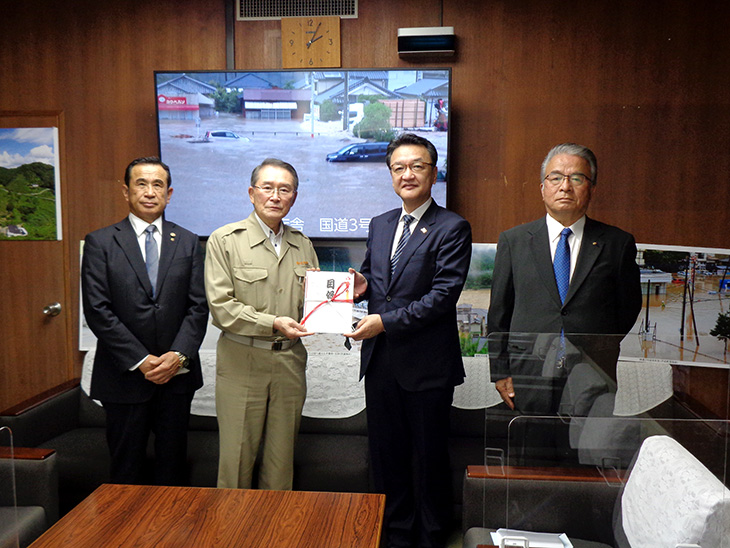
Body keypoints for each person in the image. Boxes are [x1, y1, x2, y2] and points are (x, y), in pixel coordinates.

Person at [346, 134, 472, 548]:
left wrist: (383, 322)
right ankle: (395, 534)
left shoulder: (452, 227)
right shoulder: (380, 223)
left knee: (429, 458)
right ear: (390, 175)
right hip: (381, 362)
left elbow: (441, 297)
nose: (408, 174)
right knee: (386, 458)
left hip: (427, 366)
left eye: (417, 166)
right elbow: (376, 279)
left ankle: (432, 537)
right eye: (399, 167)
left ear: (433, 173)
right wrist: (360, 285)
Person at [488, 143, 642, 416]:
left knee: (585, 453)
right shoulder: (514, 241)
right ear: (542, 188)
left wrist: (598, 345)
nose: (565, 186)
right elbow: (500, 312)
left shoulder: (617, 243)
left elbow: (628, 307)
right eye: (555, 177)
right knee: (529, 453)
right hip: (528, 373)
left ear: (591, 187)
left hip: (592, 373)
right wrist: (500, 372)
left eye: (577, 178)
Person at [81, 156, 208, 485]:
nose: (149, 192)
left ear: (169, 193)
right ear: (125, 192)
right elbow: (97, 309)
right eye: (141, 184)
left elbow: (198, 307)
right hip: (123, 377)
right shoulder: (101, 242)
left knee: (172, 468)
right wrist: (141, 360)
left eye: (157, 185)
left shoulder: (189, 242)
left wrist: (177, 355)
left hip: (175, 377)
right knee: (125, 470)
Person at [204, 158, 319, 490]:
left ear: (294, 197)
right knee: (236, 462)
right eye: (267, 188)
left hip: (290, 362)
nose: (275, 196)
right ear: (251, 193)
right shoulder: (225, 240)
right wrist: (273, 322)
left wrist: (344, 294)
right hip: (243, 362)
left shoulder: (303, 244)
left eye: (284, 189)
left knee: (281, 464)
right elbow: (222, 309)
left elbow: (313, 306)